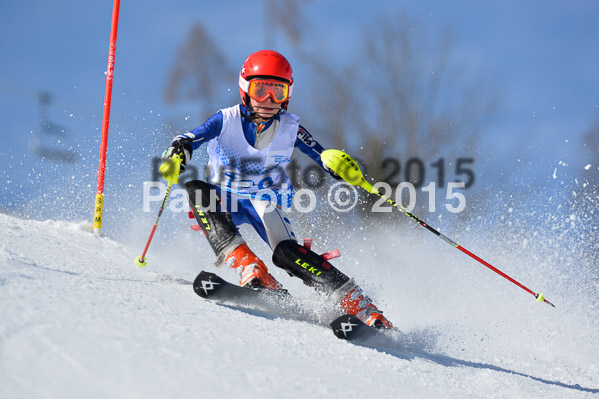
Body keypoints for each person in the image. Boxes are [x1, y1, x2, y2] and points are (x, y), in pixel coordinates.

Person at [162, 50, 392, 328]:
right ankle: (252, 269)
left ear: (288, 93)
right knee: (198, 191)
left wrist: (341, 167)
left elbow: (322, 155)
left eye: (278, 91)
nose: (269, 100)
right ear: (245, 89)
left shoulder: (290, 128)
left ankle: (362, 307)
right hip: (226, 200)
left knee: (287, 253)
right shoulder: (226, 119)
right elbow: (189, 138)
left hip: (264, 202)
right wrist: (179, 152)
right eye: (261, 89)